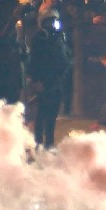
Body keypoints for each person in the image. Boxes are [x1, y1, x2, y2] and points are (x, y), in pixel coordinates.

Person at [27, 8, 71, 148]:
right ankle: (38, 142)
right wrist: (36, 80)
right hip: (44, 80)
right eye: (49, 21)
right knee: (42, 113)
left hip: (57, 80)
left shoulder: (59, 37)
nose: (52, 24)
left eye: (54, 20)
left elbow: (66, 56)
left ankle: (49, 142)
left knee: (52, 114)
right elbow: (34, 61)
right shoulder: (40, 39)